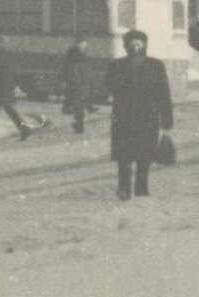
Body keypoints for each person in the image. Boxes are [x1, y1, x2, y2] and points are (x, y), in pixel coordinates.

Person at [105, 29, 172, 199]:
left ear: (144, 45)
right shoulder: (117, 65)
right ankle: (124, 189)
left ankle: (142, 189)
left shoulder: (156, 66)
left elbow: (163, 93)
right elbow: (109, 87)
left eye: (138, 43)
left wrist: (167, 119)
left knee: (145, 156)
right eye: (131, 44)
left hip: (147, 117)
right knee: (124, 157)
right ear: (126, 46)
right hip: (124, 117)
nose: (135, 47)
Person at [0, 36, 34, 141]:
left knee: (2, 110)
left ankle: (24, 130)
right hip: (3, 87)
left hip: (1, 87)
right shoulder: (3, 54)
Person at [60, 39, 93, 134]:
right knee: (78, 106)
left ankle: (79, 126)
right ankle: (79, 125)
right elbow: (72, 68)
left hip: (78, 83)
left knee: (77, 106)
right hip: (77, 83)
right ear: (79, 43)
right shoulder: (76, 54)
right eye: (83, 43)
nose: (85, 45)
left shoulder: (77, 53)